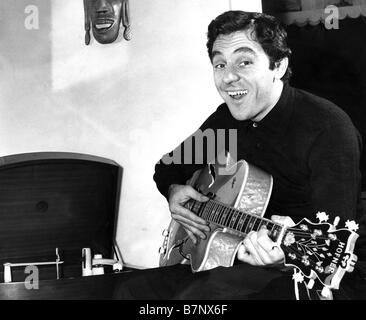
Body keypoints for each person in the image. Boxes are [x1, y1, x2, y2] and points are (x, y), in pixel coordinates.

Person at [153, 10, 366, 299]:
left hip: (317, 274)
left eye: (244, 62)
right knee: (130, 289)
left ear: (278, 66)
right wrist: (174, 191)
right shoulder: (225, 124)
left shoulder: (326, 128)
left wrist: (283, 257)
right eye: (219, 64)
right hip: (236, 260)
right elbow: (167, 168)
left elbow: (328, 248)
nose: (228, 77)